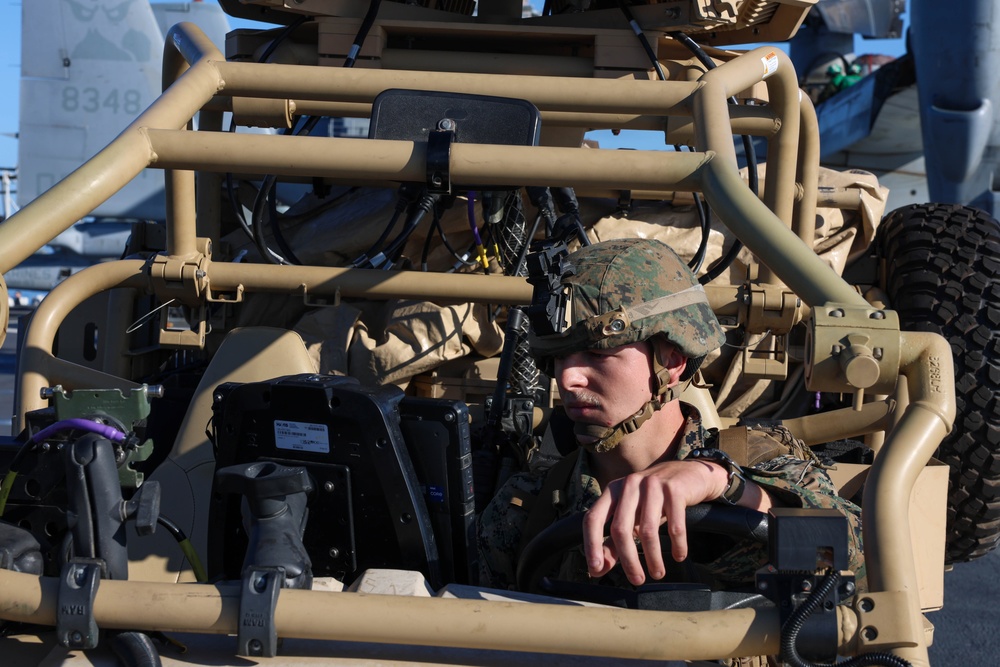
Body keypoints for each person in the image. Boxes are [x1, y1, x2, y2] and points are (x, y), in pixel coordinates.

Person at [477, 237, 865, 593]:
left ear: (673, 362)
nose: (568, 377)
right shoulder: (527, 507)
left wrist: (722, 485)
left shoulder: (760, 467)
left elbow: (852, 560)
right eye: (559, 357)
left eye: (597, 353)